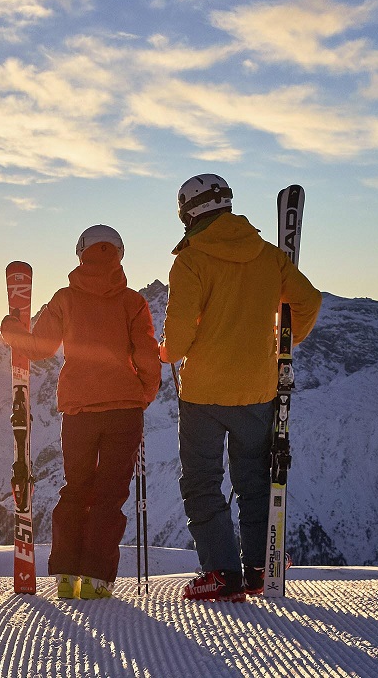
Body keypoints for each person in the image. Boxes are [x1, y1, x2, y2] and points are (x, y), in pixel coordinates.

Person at [162, 173, 322, 601]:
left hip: (203, 392)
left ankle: (220, 572)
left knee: (202, 480)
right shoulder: (268, 256)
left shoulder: (191, 260)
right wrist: (283, 344)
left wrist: (164, 353)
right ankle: (258, 568)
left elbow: (177, 337)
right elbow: (308, 300)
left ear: (187, 212)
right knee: (254, 480)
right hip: (258, 387)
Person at [1, 225, 161, 600]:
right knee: (110, 495)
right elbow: (147, 355)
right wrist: (143, 394)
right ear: (120, 254)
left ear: (80, 253)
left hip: (79, 410)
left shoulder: (65, 299)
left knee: (76, 490)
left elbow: (39, 347)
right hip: (124, 410)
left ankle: (66, 575)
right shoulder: (132, 302)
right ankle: (95, 581)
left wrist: (11, 329)